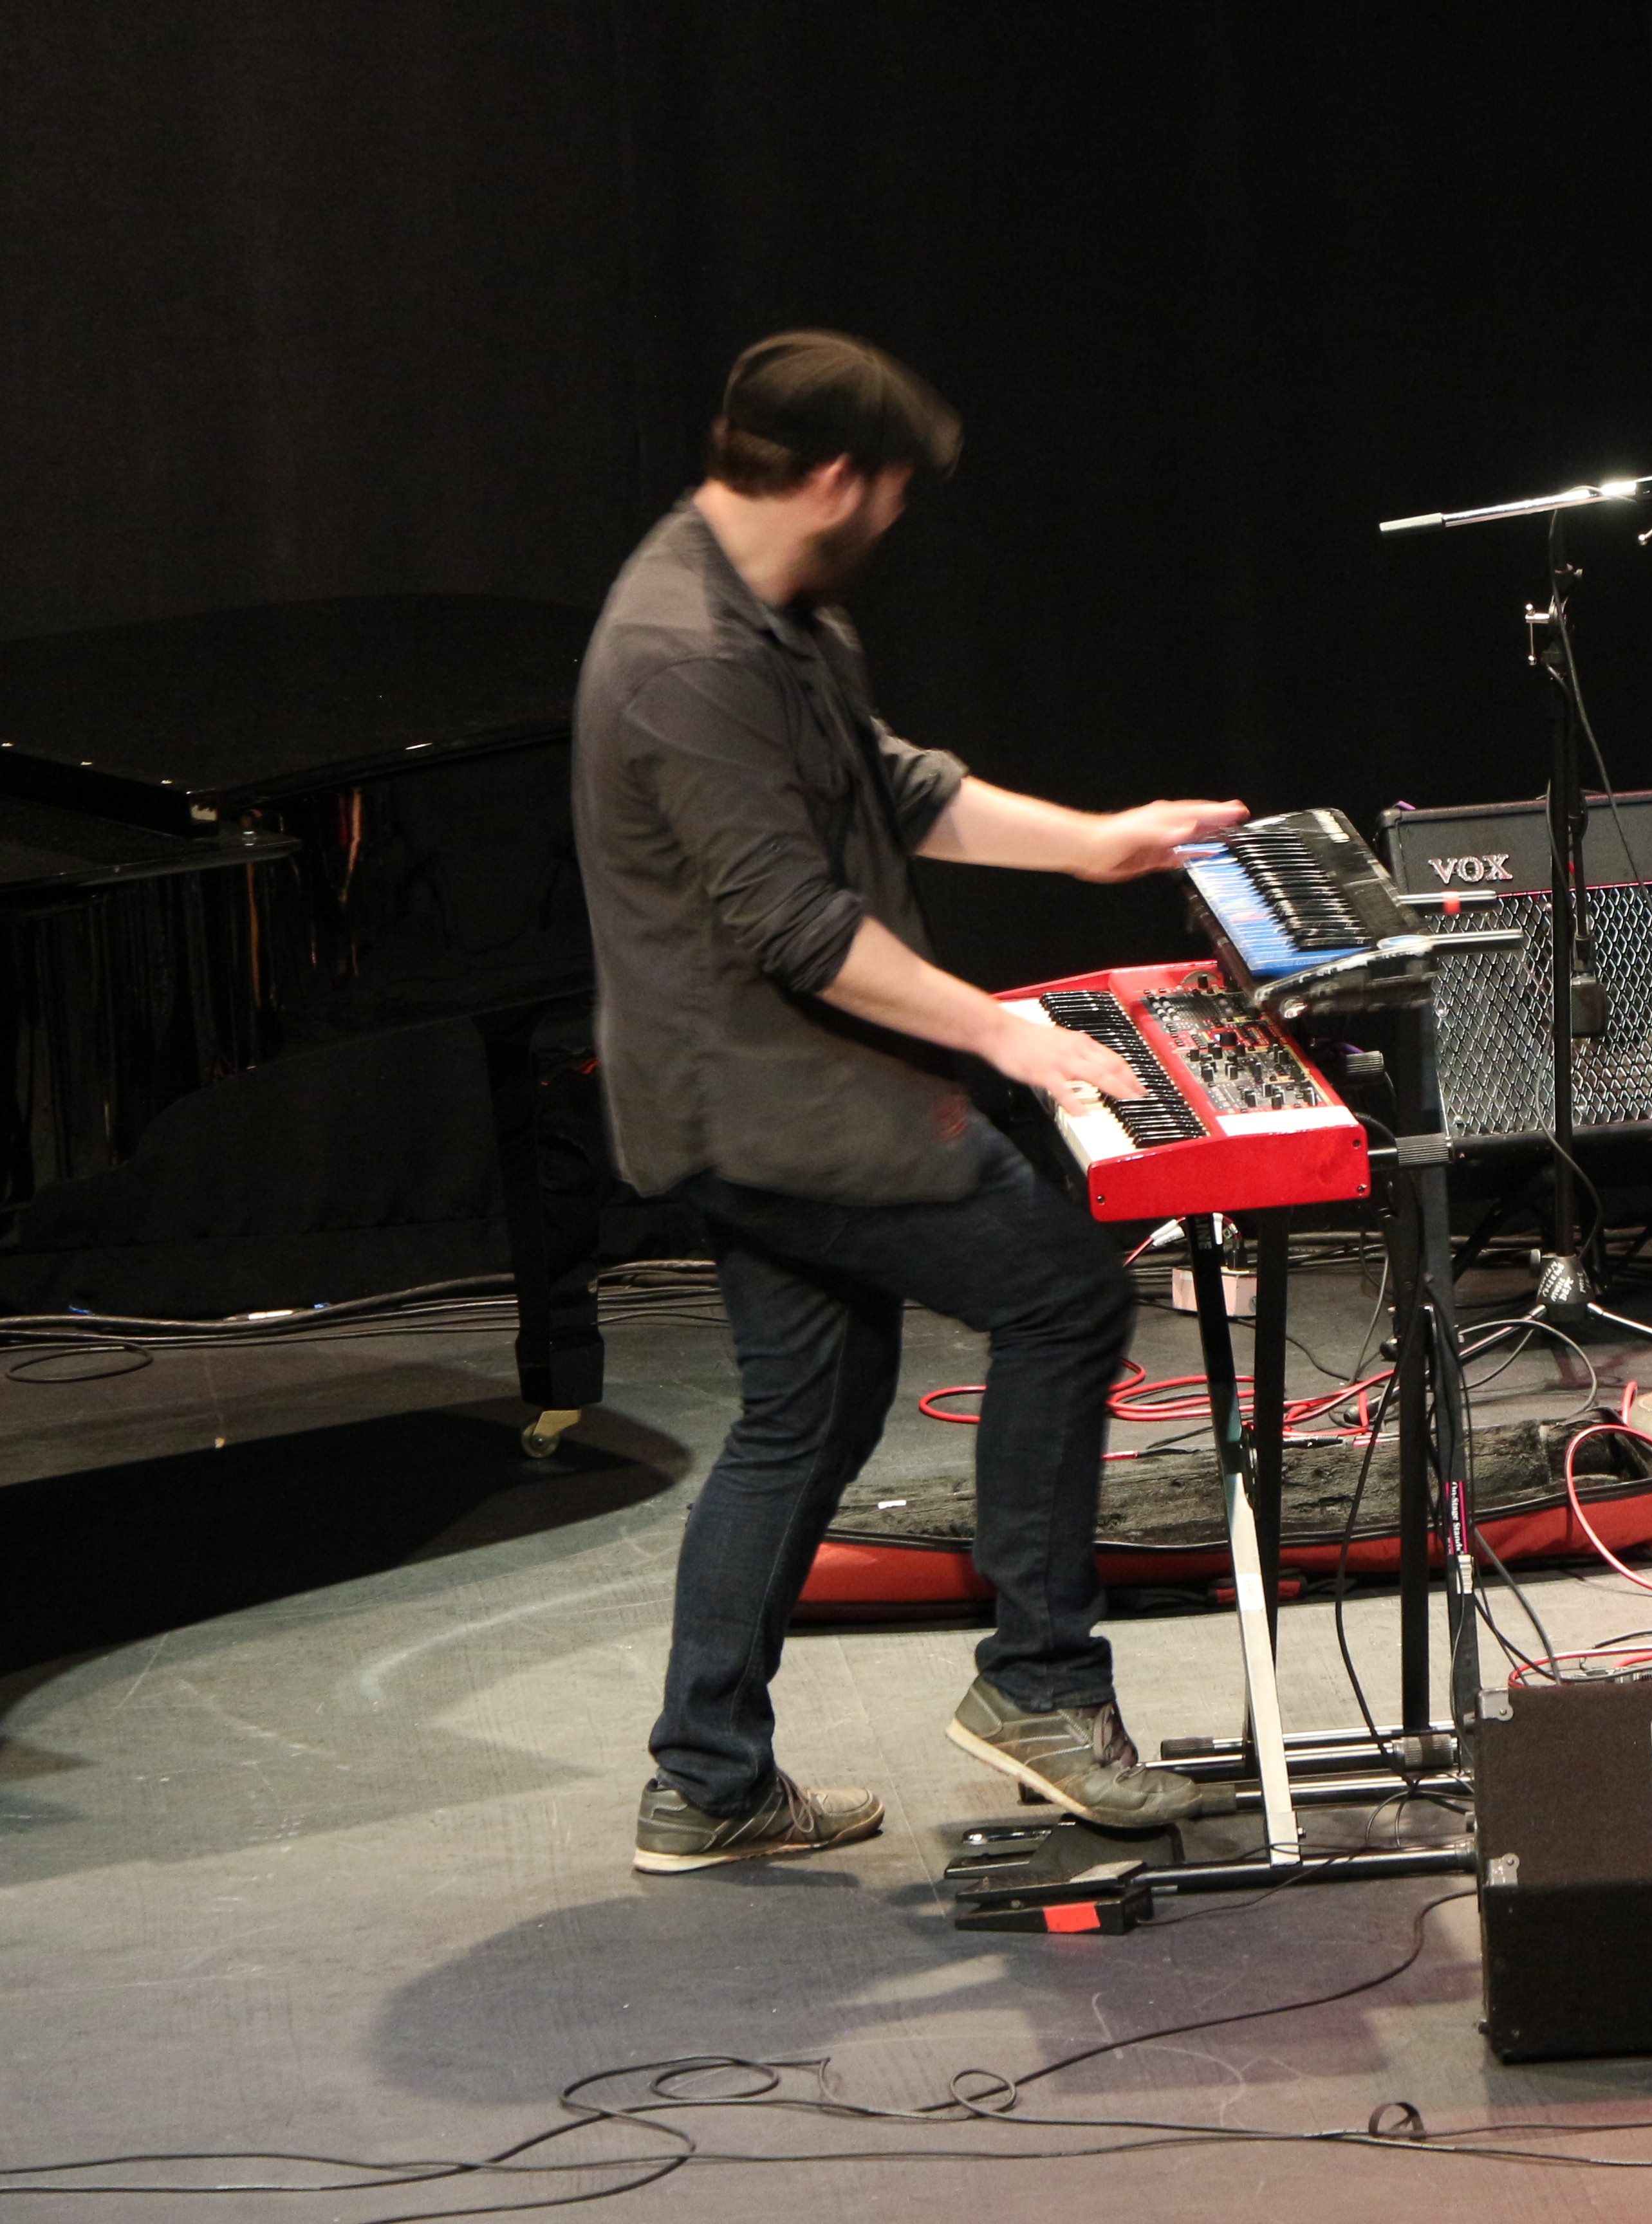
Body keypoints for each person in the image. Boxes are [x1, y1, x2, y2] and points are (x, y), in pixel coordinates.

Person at [575, 331, 1250, 1871]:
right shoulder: (683, 651)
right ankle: (1038, 1687)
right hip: (779, 1107)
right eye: (886, 492)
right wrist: (1005, 1042)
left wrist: (1095, 843)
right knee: (1068, 1302)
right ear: (831, 478)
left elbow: (885, 783)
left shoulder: (770, 600)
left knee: (805, 1413)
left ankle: (709, 1778)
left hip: (755, 1091)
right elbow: (797, 926)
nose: (893, 519)